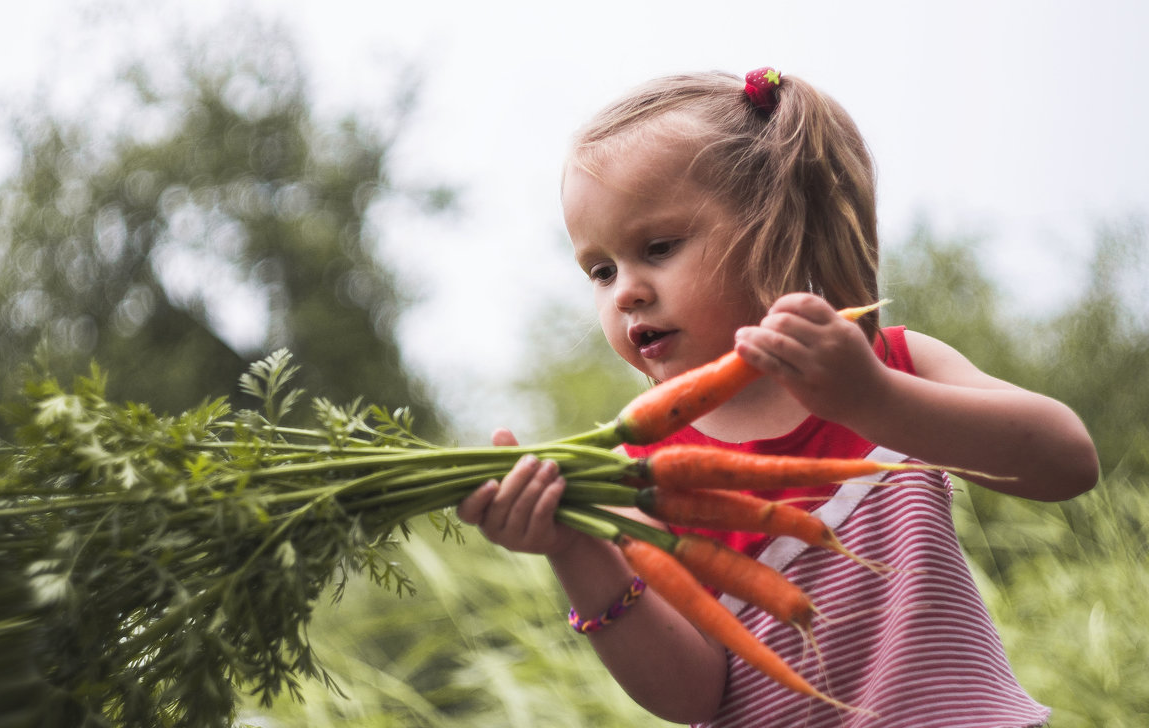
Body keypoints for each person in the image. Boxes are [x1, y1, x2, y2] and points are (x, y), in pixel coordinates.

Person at [456, 68, 1098, 727]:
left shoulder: (890, 363)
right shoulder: (632, 471)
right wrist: (573, 549)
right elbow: (691, 695)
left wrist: (872, 400)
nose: (626, 291)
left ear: (773, 225)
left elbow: (1067, 463)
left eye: (659, 247)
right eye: (601, 269)